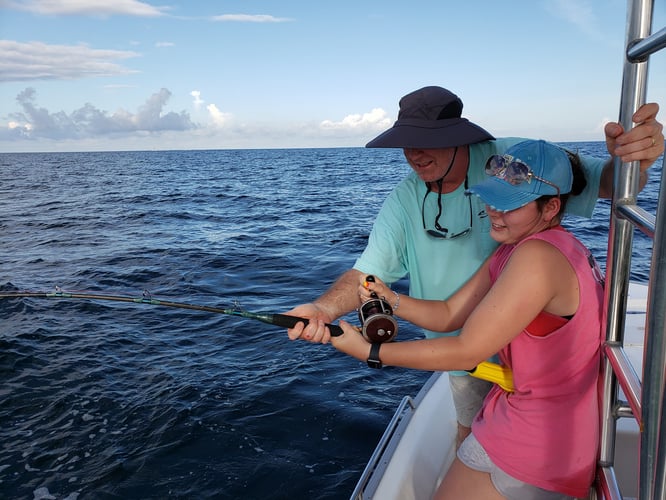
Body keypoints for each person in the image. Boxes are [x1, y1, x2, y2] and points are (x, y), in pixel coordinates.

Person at [285, 86, 664, 446]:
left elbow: (610, 184)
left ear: (460, 137)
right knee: (471, 437)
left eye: (428, 141)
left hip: (535, 358)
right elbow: (368, 274)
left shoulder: (514, 160)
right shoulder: (404, 198)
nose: (415, 154)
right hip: (458, 353)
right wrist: (322, 310)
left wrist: (632, 157)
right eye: (407, 143)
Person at [293, 139, 606, 499]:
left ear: (551, 207)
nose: (494, 210)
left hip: (536, 442)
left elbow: (464, 351)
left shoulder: (536, 257)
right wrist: (389, 297)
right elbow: (447, 314)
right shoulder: (521, 249)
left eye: (510, 204)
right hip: (543, 426)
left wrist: (369, 353)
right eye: (492, 198)